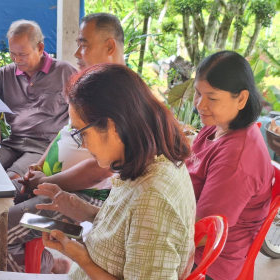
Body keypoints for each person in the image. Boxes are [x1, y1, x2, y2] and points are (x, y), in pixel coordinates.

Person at [0, 13, 127, 274]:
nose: (77, 52)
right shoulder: (91, 82)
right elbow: (65, 133)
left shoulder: (122, 94)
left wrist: (49, 182)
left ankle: (39, 268)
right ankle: (45, 265)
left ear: (109, 46)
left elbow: (103, 168)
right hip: (53, 183)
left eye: (84, 44)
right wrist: (40, 166)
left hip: (83, 203)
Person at [34, 63, 196, 279]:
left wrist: (82, 258)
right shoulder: (143, 162)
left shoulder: (153, 196)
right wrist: (83, 210)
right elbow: (129, 227)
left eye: (81, 133)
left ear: (112, 126)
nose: (82, 144)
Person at [185, 51, 273, 280]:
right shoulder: (216, 125)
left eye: (212, 98)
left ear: (241, 99)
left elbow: (203, 234)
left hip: (206, 262)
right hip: (187, 231)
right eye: (197, 93)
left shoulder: (238, 158)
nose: (200, 105)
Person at [0, 20, 77, 180]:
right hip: (13, 142)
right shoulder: (7, 73)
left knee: (11, 178)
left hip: (45, 147)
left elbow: (88, 108)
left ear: (40, 48)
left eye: (22, 54)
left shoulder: (64, 71)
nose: (16, 59)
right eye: (12, 53)